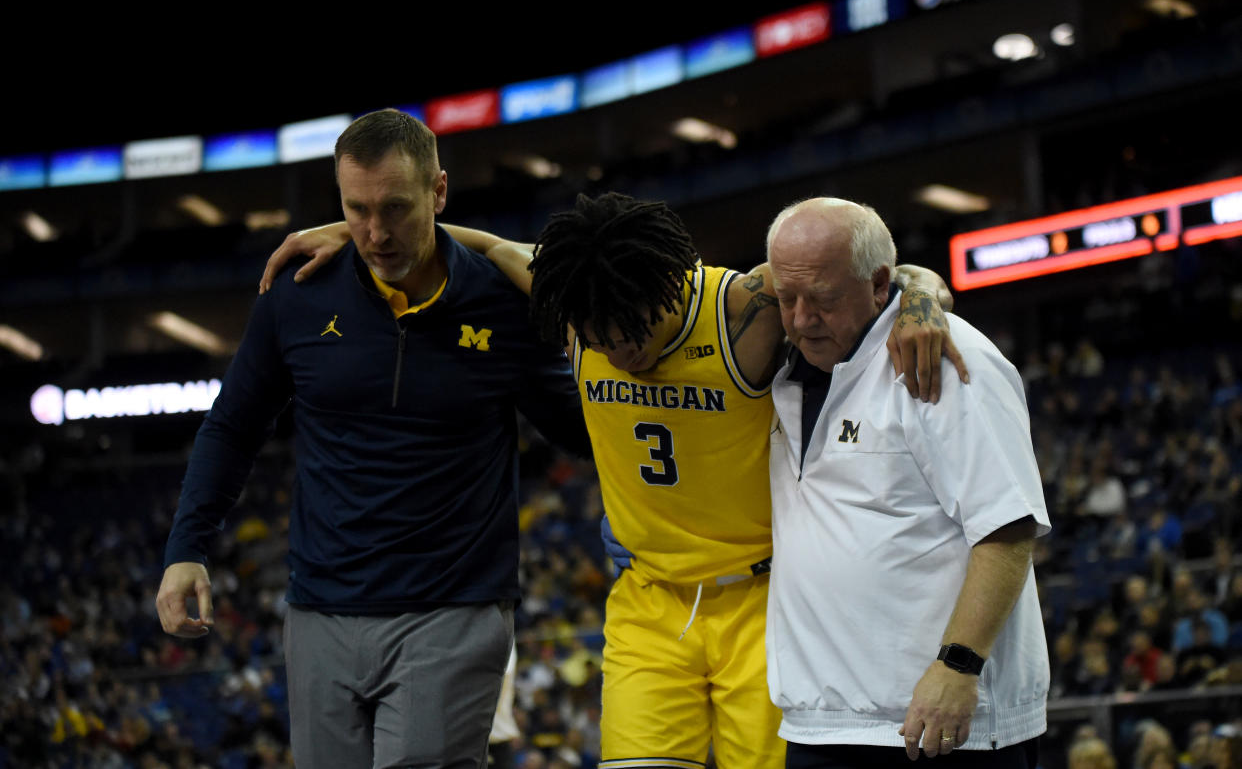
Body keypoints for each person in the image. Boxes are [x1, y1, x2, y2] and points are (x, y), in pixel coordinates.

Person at [264, 191, 966, 769]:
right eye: (597, 342)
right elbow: (483, 245)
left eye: (631, 336)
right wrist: (350, 232)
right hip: (648, 608)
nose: (617, 353)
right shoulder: (578, 293)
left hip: (766, 604)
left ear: (668, 288)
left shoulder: (740, 311)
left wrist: (922, 301)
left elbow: (873, 273)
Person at [155, 109, 590, 769]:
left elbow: (579, 431)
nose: (375, 232)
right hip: (318, 614)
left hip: (452, 611)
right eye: (355, 210)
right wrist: (186, 545)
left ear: (439, 192)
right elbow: (234, 425)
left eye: (395, 207)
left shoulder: (503, 303)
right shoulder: (297, 293)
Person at [765, 198, 1050, 768]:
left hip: (940, 725)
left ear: (876, 286)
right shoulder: (778, 363)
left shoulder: (945, 357)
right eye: (786, 299)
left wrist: (958, 665)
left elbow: (1007, 526)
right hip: (821, 727)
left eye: (821, 299)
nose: (800, 319)